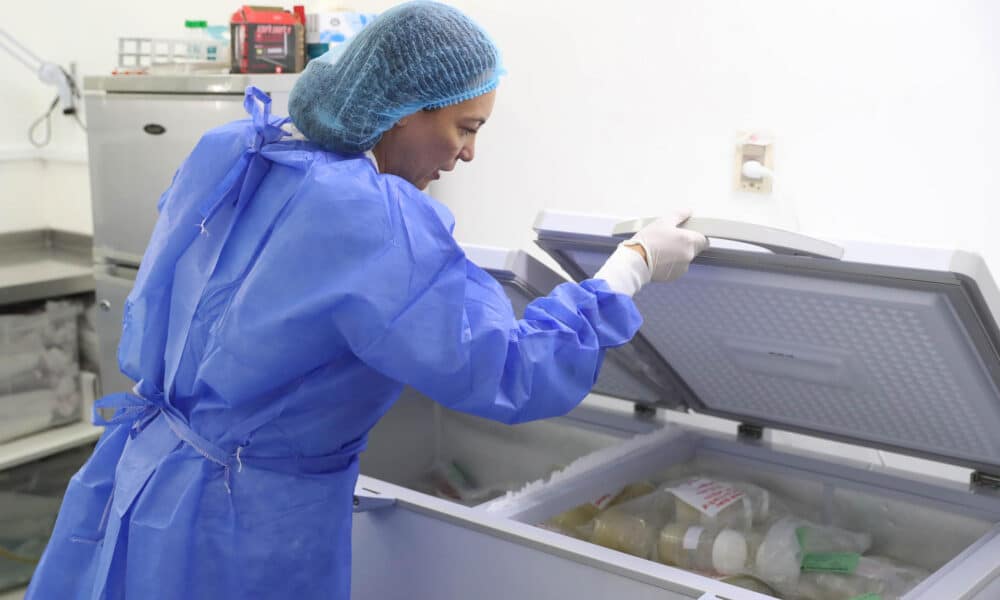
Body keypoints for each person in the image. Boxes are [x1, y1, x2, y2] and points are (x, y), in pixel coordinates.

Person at [27, 2, 707, 599]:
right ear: (405, 109)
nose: (468, 154)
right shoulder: (372, 218)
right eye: (465, 128)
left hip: (140, 478)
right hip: (241, 519)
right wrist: (629, 268)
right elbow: (508, 371)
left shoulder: (249, 150)